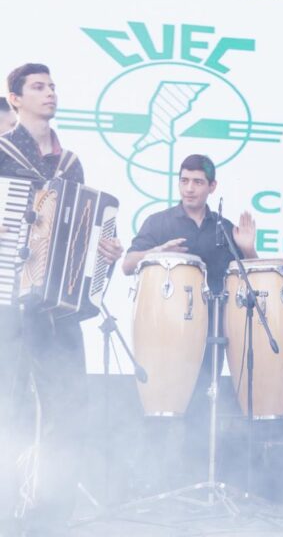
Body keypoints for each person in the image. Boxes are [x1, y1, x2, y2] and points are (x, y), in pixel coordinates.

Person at [0, 63, 123, 536]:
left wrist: (105, 251)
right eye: (38, 87)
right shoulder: (4, 153)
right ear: (15, 98)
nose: (49, 92)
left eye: (52, 86)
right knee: (8, 410)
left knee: (70, 409)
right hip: (10, 303)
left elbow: (83, 234)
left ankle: (51, 517)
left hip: (58, 310)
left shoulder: (71, 164)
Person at [122, 154, 258, 485]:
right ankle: (154, 484)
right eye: (184, 181)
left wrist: (248, 250)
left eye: (197, 182)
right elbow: (127, 264)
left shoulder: (224, 228)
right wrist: (155, 252)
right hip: (164, 330)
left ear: (212, 186)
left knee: (202, 405)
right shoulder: (159, 222)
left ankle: (195, 483)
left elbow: (250, 276)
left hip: (211, 329)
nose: (189, 188)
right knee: (162, 403)